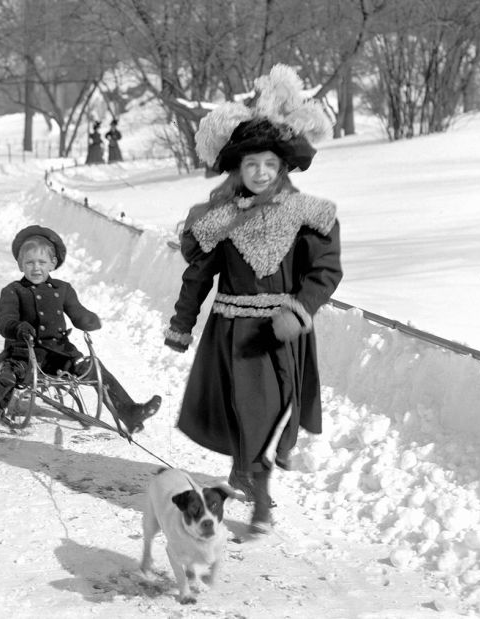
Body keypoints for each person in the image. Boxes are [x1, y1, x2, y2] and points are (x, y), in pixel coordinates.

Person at [163, 64, 341, 535]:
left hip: (282, 334)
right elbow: (198, 276)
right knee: (250, 413)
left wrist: (300, 308)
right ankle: (259, 498)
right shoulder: (219, 220)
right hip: (232, 335)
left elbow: (326, 270)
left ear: (283, 168)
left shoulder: (308, 215)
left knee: (274, 417)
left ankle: (248, 473)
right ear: (238, 170)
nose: (261, 172)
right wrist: (183, 323)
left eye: (270, 164)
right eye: (251, 164)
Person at [0, 225, 161, 437]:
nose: (36, 268)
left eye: (42, 262)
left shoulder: (62, 289)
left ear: (53, 263)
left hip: (61, 356)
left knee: (94, 367)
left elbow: (76, 312)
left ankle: (129, 412)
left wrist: (87, 320)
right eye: (30, 263)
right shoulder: (13, 291)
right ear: (20, 264)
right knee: (9, 374)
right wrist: (17, 327)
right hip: (24, 354)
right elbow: (4, 320)